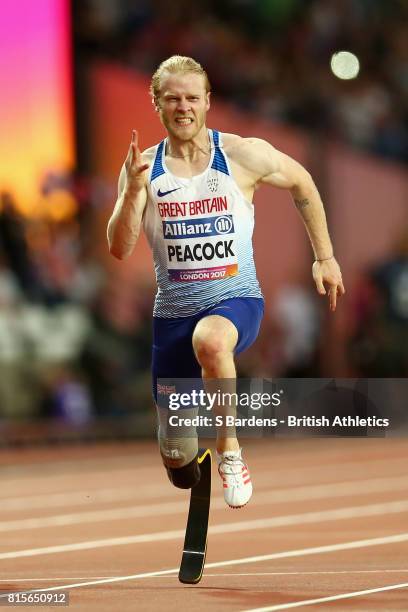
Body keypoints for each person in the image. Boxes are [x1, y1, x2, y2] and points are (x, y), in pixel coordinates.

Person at [107, 55, 345, 508]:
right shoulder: (144, 168)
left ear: (208, 102)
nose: (183, 108)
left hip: (235, 301)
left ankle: (230, 450)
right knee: (177, 462)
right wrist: (132, 193)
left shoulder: (241, 154)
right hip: (172, 318)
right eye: (172, 98)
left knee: (212, 341)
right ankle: (186, 451)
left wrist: (326, 257)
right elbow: (120, 247)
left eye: (192, 98)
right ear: (156, 103)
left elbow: (304, 183)